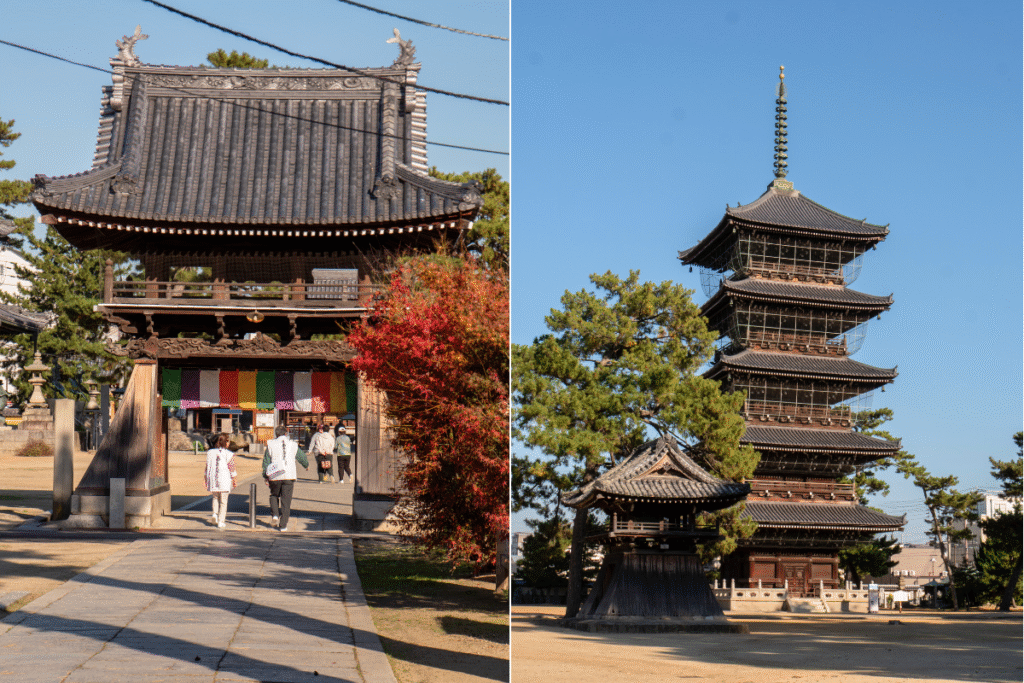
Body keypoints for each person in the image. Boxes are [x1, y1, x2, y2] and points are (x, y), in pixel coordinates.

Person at [262, 425, 308, 531]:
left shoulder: (270, 444)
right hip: (289, 475)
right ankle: (283, 525)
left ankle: (274, 515)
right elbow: (301, 456)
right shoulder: (293, 444)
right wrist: (306, 465)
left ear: (276, 434)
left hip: (274, 474)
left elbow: (266, 461)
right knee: (286, 501)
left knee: (274, 495)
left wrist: (266, 475)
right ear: (286, 434)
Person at [205, 433, 237, 529]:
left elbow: (207, 466)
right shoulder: (229, 454)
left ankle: (214, 514)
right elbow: (232, 468)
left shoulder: (210, 452)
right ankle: (221, 521)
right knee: (223, 502)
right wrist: (234, 479)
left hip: (213, 478)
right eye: (228, 441)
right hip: (224, 479)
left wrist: (205, 478)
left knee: (215, 498)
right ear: (226, 442)